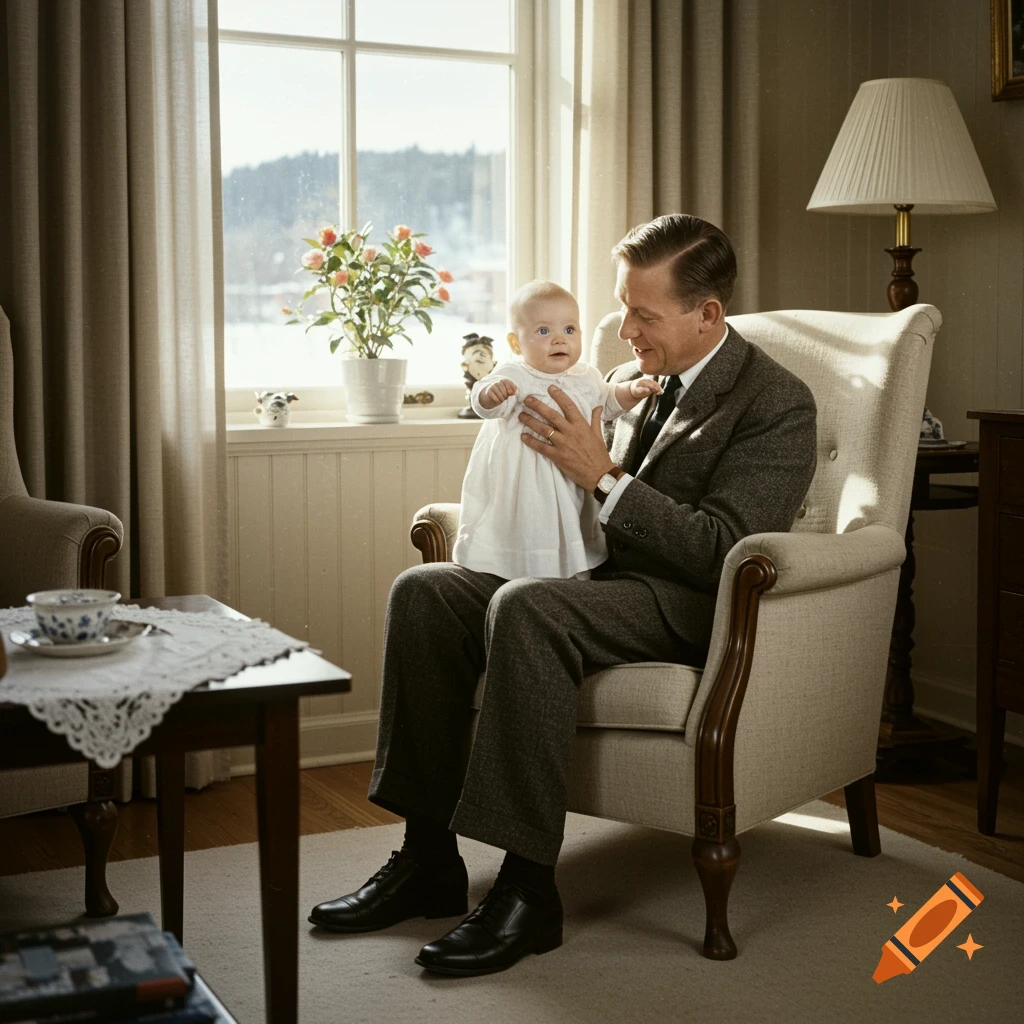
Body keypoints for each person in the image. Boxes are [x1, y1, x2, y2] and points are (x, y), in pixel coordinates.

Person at [309, 213, 818, 977]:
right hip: (596, 573)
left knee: (526, 607)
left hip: (683, 602)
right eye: (622, 309)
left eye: (644, 315)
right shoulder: (638, 377)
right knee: (425, 592)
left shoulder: (776, 403)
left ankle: (525, 890)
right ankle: (427, 858)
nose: (626, 331)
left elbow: (722, 548)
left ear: (708, 313)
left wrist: (603, 477)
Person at [453, 280, 663, 580]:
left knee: (570, 534)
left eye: (569, 330)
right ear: (516, 344)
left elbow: (607, 401)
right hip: (527, 483)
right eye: (543, 331)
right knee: (532, 530)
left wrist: (632, 389)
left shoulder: (586, 375)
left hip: (570, 482)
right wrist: (491, 393)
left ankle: (568, 581)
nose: (559, 340)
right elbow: (487, 404)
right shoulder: (516, 373)